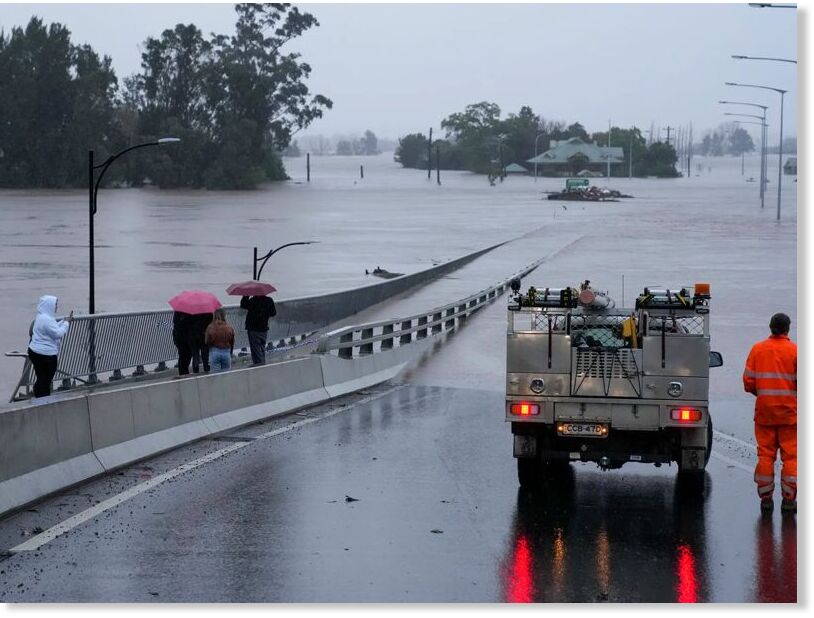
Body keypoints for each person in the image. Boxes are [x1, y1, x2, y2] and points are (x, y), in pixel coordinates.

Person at [743, 313, 797, 514]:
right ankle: (789, 500)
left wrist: (763, 393)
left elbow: (748, 382)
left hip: (765, 412)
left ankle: (766, 499)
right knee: (791, 458)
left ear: (770, 327)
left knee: (765, 456)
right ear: (788, 329)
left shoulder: (758, 349)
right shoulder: (795, 351)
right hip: (790, 415)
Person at [27, 295, 73, 397]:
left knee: (41, 377)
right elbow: (58, 333)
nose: (56, 307)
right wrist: (66, 323)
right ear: (49, 305)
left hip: (35, 351)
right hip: (46, 355)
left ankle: (39, 396)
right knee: (46, 379)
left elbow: (52, 328)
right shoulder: (46, 319)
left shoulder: (41, 317)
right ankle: (43, 399)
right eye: (55, 305)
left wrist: (63, 321)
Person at [240, 294, 277, 365]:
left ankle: (259, 366)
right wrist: (265, 313)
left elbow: (243, 305)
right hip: (264, 328)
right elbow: (273, 313)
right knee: (262, 348)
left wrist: (246, 295)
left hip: (253, 329)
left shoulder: (253, 301)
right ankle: (262, 363)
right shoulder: (269, 300)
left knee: (255, 349)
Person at [205, 309, 235, 373]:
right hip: (226, 352)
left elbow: (207, 342)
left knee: (215, 376)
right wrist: (231, 352)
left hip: (214, 352)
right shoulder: (229, 328)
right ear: (224, 316)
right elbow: (232, 342)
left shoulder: (210, 327)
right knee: (226, 376)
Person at [172, 311, 193, 376]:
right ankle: (184, 372)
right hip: (184, 338)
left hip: (179, 337)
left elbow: (175, 322)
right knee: (185, 355)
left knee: (183, 355)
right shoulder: (188, 314)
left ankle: (183, 372)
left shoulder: (177, 312)